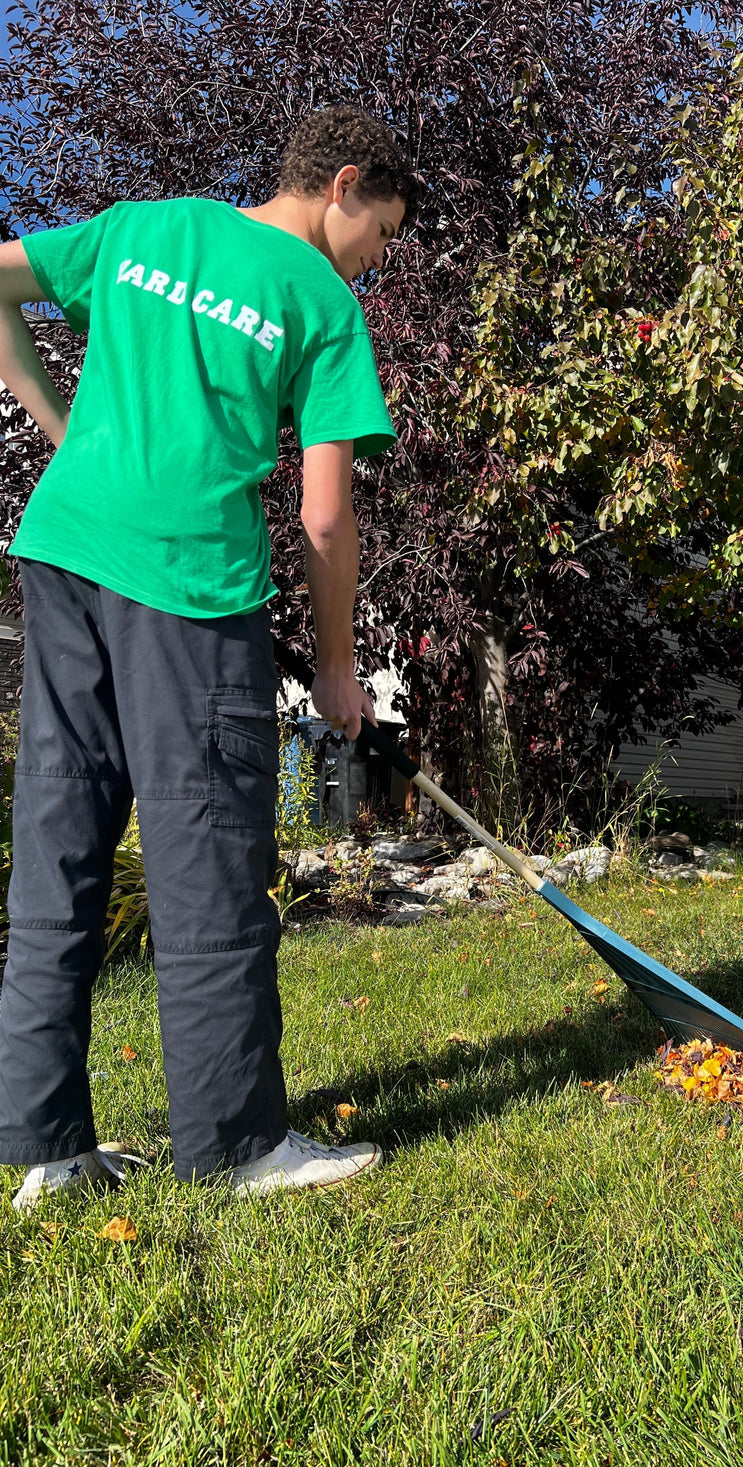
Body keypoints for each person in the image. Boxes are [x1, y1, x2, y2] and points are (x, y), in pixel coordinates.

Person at [0, 106, 419, 1207]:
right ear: (341, 185)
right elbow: (326, 521)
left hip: (64, 553)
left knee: (60, 847)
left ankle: (48, 1151)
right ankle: (237, 1148)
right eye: (383, 229)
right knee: (210, 872)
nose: (377, 259)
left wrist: (57, 428)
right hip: (187, 594)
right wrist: (337, 666)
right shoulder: (320, 302)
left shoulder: (146, 227)